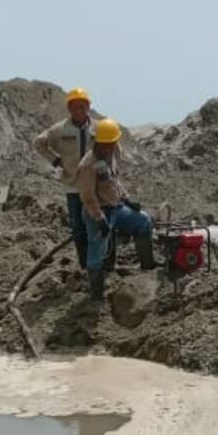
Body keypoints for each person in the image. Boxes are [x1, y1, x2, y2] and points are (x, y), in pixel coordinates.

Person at [76, 117, 155, 300]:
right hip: (97, 211)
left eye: (111, 144)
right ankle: (96, 292)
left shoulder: (111, 154)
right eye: (104, 145)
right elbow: (87, 197)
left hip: (116, 208)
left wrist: (127, 200)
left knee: (143, 221)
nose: (108, 148)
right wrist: (99, 218)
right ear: (97, 142)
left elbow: (115, 181)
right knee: (97, 248)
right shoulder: (87, 165)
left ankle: (148, 266)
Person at [32, 87, 95, 269]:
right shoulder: (59, 130)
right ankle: (85, 265)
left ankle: (100, 263)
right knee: (78, 228)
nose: (78, 110)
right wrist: (55, 160)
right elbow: (38, 143)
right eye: (74, 107)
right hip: (73, 186)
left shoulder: (99, 128)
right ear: (69, 109)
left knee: (98, 226)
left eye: (82, 106)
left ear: (88, 107)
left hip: (94, 187)